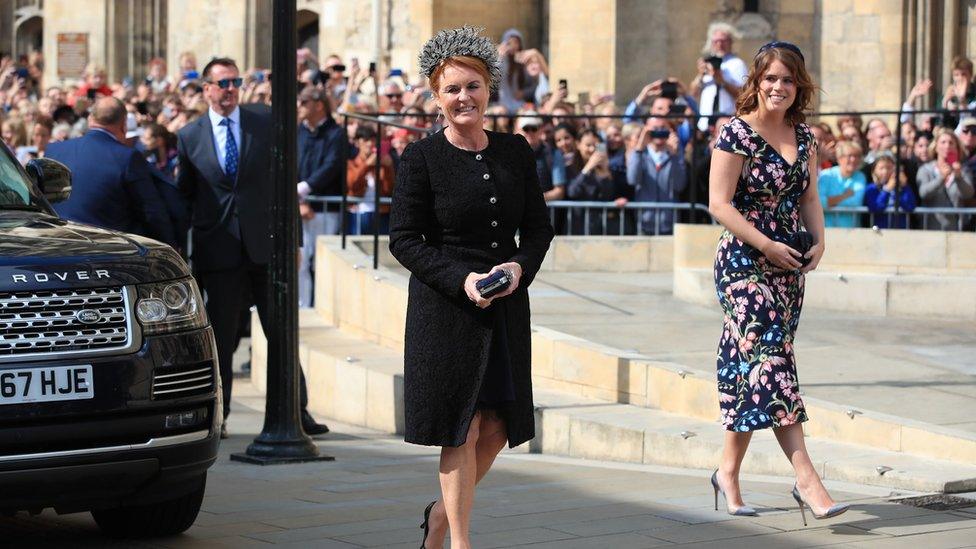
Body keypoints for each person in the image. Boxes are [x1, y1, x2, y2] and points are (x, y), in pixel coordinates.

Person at [389, 27, 554, 549]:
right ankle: (459, 540)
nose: (464, 97)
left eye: (473, 86)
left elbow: (539, 228)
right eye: (452, 88)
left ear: (490, 90)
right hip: (446, 310)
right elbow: (403, 240)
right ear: (436, 97)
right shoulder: (420, 158)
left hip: (506, 307)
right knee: (462, 425)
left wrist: (518, 268)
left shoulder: (514, 151)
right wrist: (460, 280)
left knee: (499, 425)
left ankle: (438, 518)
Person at [708, 41, 849, 524]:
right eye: (770, 78)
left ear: (798, 85)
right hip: (744, 263)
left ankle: (726, 471)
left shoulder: (806, 137)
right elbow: (719, 204)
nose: (778, 87)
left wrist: (820, 241)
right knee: (771, 357)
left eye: (787, 79)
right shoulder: (737, 134)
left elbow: (809, 197)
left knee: (748, 368)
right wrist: (765, 244)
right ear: (756, 81)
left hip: (789, 266)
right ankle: (806, 477)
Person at [175, 57, 328, 438]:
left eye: (234, 82)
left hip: (266, 250)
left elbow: (284, 184)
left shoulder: (263, 123)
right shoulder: (190, 136)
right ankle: (219, 415)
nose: (229, 89)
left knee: (281, 333)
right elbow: (185, 199)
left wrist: (294, 242)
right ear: (206, 89)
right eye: (221, 83)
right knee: (223, 339)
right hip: (220, 251)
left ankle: (297, 412)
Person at [44, 96, 175, 247]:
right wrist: (169, 247)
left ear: (90, 119)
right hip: (106, 252)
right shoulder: (127, 158)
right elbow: (152, 212)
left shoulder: (54, 150)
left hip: (56, 246)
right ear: (124, 125)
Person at [296, 86, 347, 308]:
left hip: (324, 207)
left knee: (321, 261)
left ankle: (324, 307)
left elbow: (332, 165)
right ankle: (303, 307)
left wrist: (305, 188)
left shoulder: (336, 133)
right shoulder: (299, 131)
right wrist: (298, 198)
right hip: (299, 205)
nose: (300, 107)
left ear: (318, 105)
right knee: (300, 261)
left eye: (304, 102)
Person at [626, 116, 688, 235]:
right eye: (655, 129)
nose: (659, 132)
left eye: (663, 128)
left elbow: (680, 185)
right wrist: (639, 147)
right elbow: (632, 179)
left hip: (669, 223)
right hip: (644, 223)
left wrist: (674, 155)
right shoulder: (640, 153)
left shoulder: (675, 153)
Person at [691, 22, 748, 132]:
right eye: (716, 41)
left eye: (723, 41)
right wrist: (700, 75)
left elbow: (744, 95)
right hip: (704, 125)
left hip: (726, 123)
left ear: (731, 43)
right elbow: (693, 93)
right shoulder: (707, 63)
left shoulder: (737, 64)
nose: (719, 45)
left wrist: (721, 81)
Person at [917, 128, 975, 230]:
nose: (947, 146)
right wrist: (941, 178)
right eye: (943, 142)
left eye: (951, 143)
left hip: (957, 230)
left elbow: (968, 194)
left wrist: (958, 177)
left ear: (956, 147)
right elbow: (923, 193)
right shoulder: (925, 170)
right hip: (930, 230)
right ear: (936, 147)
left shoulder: (963, 170)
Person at [346, 124, 394, 235]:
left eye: (373, 140)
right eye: (366, 140)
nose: (370, 143)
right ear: (357, 142)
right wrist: (367, 165)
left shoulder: (382, 164)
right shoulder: (351, 164)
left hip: (381, 213)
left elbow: (389, 189)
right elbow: (352, 184)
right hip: (358, 213)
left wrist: (388, 167)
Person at [818, 140, 867, 227]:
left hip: (852, 231)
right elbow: (820, 202)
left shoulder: (860, 177)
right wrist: (844, 196)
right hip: (828, 230)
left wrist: (830, 202)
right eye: (849, 156)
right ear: (839, 158)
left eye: (857, 156)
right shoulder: (826, 175)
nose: (853, 159)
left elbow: (856, 202)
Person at [864, 152, 915, 229]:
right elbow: (876, 207)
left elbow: (910, 206)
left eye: (889, 168)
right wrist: (887, 190)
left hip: (900, 230)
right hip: (880, 230)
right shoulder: (871, 188)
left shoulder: (901, 187)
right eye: (881, 168)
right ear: (874, 170)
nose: (885, 172)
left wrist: (905, 186)